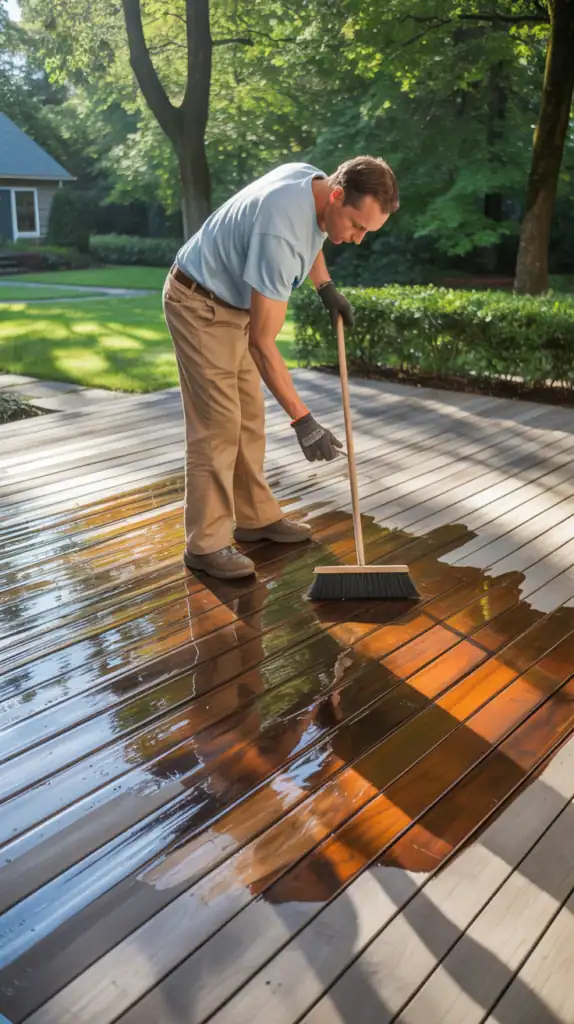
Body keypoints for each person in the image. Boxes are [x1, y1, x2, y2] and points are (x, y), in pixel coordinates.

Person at [163, 155, 399, 580]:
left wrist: (325, 287)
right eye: (357, 226)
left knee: (248, 418)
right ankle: (206, 544)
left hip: (231, 302)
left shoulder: (313, 185)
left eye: (367, 231)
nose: (358, 238)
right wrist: (303, 420)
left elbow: (314, 236)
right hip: (197, 302)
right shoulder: (279, 234)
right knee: (218, 424)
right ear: (339, 194)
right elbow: (263, 343)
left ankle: (254, 518)